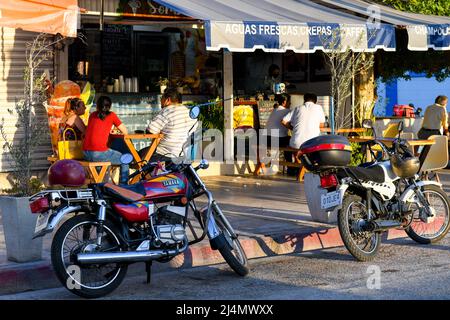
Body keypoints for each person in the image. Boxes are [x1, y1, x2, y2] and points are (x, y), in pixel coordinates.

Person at [83, 95, 129, 184]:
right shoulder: (111, 115)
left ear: (97, 105)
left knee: (104, 160)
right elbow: (125, 131)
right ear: (109, 106)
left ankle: (102, 184)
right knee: (125, 159)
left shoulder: (92, 115)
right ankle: (124, 187)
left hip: (85, 153)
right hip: (98, 153)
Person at [144, 88, 198, 162]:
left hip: (164, 154)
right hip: (183, 155)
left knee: (139, 156)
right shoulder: (189, 112)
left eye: (161, 98)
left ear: (167, 100)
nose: (160, 100)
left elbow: (151, 131)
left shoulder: (167, 110)